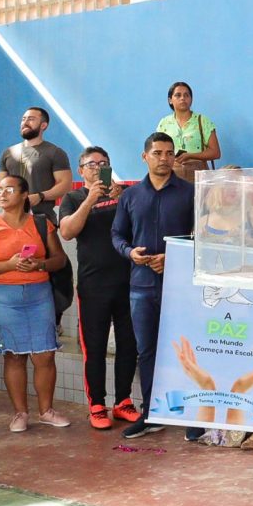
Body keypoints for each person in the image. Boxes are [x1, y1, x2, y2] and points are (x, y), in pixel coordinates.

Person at [0, 175, 71, 432]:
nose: (1, 194)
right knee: (14, 357)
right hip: (3, 298)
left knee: (45, 355)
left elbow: (59, 259)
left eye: (8, 189)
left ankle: (46, 410)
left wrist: (40, 264)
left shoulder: (40, 223)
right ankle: (20, 413)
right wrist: (9, 265)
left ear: (25, 194)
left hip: (39, 296)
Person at [112, 132, 194, 439]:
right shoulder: (130, 196)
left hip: (180, 287)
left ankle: (194, 417)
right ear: (145, 156)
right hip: (142, 286)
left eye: (169, 153)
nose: (164, 158)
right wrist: (130, 252)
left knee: (187, 350)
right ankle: (151, 414)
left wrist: (173, 257)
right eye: (158, 152)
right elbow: (117, 236)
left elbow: (201, 236)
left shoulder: (189, 193)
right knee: (147, 351)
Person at [58, 146, 141, 430]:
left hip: (128, 282)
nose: (97, 167)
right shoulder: (73, 197)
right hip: (93, 286)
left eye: (103, 163)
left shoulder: (125, 194)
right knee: (93, 348)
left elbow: (140, 227)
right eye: (91, 164)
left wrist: (125, 198)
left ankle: (123, 402)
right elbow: (68, 232)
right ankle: (96, 405)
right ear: (80, 171)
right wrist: (90, 199)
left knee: (129, 345)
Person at [0, 106, 72, 225]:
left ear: (43, 125)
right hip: (9, 222)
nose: (25, 122)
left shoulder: (55, 153)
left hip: (42, 221)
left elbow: (65, 185)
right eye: (23, 119)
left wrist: (40, 196)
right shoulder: (8, 153)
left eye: (31, 119)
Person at [155, 81, 222, 182]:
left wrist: (190, 155)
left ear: (191, 99)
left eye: (186, 95)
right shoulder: (164, 123)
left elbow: (216, 153)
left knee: (196, 198)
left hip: (197, 175)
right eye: (178, 95)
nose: (183, 98)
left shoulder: (203, 121)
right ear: (170, 100)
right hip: (171, 174)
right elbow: (158, 151)